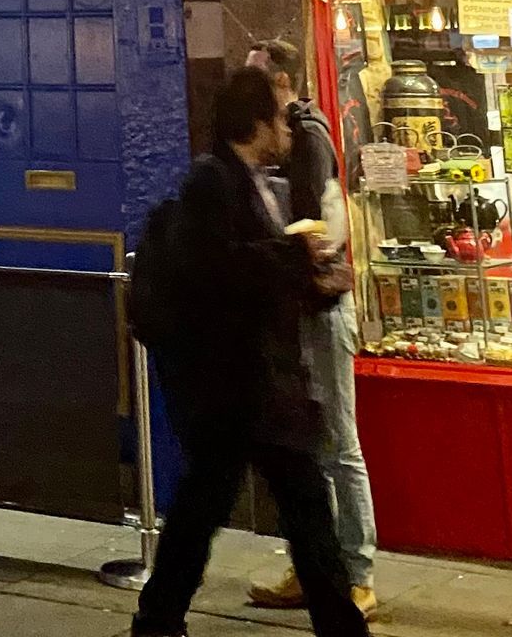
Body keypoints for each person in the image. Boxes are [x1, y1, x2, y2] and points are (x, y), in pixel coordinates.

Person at [127, 67, 368, 637]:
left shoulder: (256, 180)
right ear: (257, 123)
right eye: (282, 117)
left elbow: (257, 271)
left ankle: (158, 621)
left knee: (220, 507)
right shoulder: (211, 182)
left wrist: (315, 285)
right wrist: (294, 260)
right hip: (238, 385)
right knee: (268, 507)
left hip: (254, 385)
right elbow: (219, 270)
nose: (289, 128)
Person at [247, 39, 378, 622]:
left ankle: (357, 575)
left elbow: (313, 226)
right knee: (307, 445)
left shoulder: (309, 134)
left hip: (322, 310)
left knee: (339, 445)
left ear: (279, 82)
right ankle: (314, 567)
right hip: (296, 310)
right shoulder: (288, 134)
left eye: (254, 78)